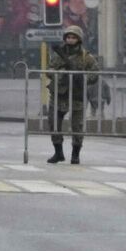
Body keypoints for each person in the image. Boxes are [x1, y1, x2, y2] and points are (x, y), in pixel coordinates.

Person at [47, 25, 99, 165]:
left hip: (77, 95)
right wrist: (59, 75)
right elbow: (49, 70)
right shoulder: (58, 54)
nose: (70, 40)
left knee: (77, 126)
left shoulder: (86, 57)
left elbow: (95, 73)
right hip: (59, 94)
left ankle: (75, 154)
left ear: (79, 39)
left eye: (73, 37)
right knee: (54, 123)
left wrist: (82, 78)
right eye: (68, 37)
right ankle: (58, 153)